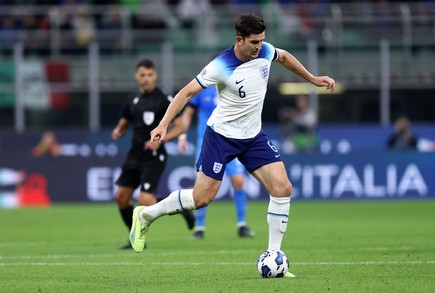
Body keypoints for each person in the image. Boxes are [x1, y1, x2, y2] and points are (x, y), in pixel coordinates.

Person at [129, 13, 335, 278]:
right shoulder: (221, 65)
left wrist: (313, 79)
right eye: (254, 42)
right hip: (221, 136)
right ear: (239, 40)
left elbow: (283, 57)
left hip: (253, 137)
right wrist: (164, 124)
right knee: (200, 199)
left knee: (283, 188)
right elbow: (186, 93)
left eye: (262, 41)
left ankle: (274, 255)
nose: (260, 46)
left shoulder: (265, 51)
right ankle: (145, 216)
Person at [112, 58, 195, 249]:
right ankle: (133, 236)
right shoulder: (132, 99)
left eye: (150, 75)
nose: (146, 79)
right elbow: (125, 121)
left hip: (154, 157)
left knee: (145, 200)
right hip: (134, 155)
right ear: (136, 77)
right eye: (142, 75)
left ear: (155, 76)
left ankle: (179, 208)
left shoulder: (163, 100)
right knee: (121, 198)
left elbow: (181, 127)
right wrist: (119, 130)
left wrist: (161, 140)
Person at [177, 85, 255, 239]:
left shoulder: (234, 88)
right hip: (206, 144)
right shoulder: (202, 91)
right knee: (201, 186)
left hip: (231, 142)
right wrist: (182, 136)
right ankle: (199, 227)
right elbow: (188, 112)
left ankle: (242, 224)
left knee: (239, 181)